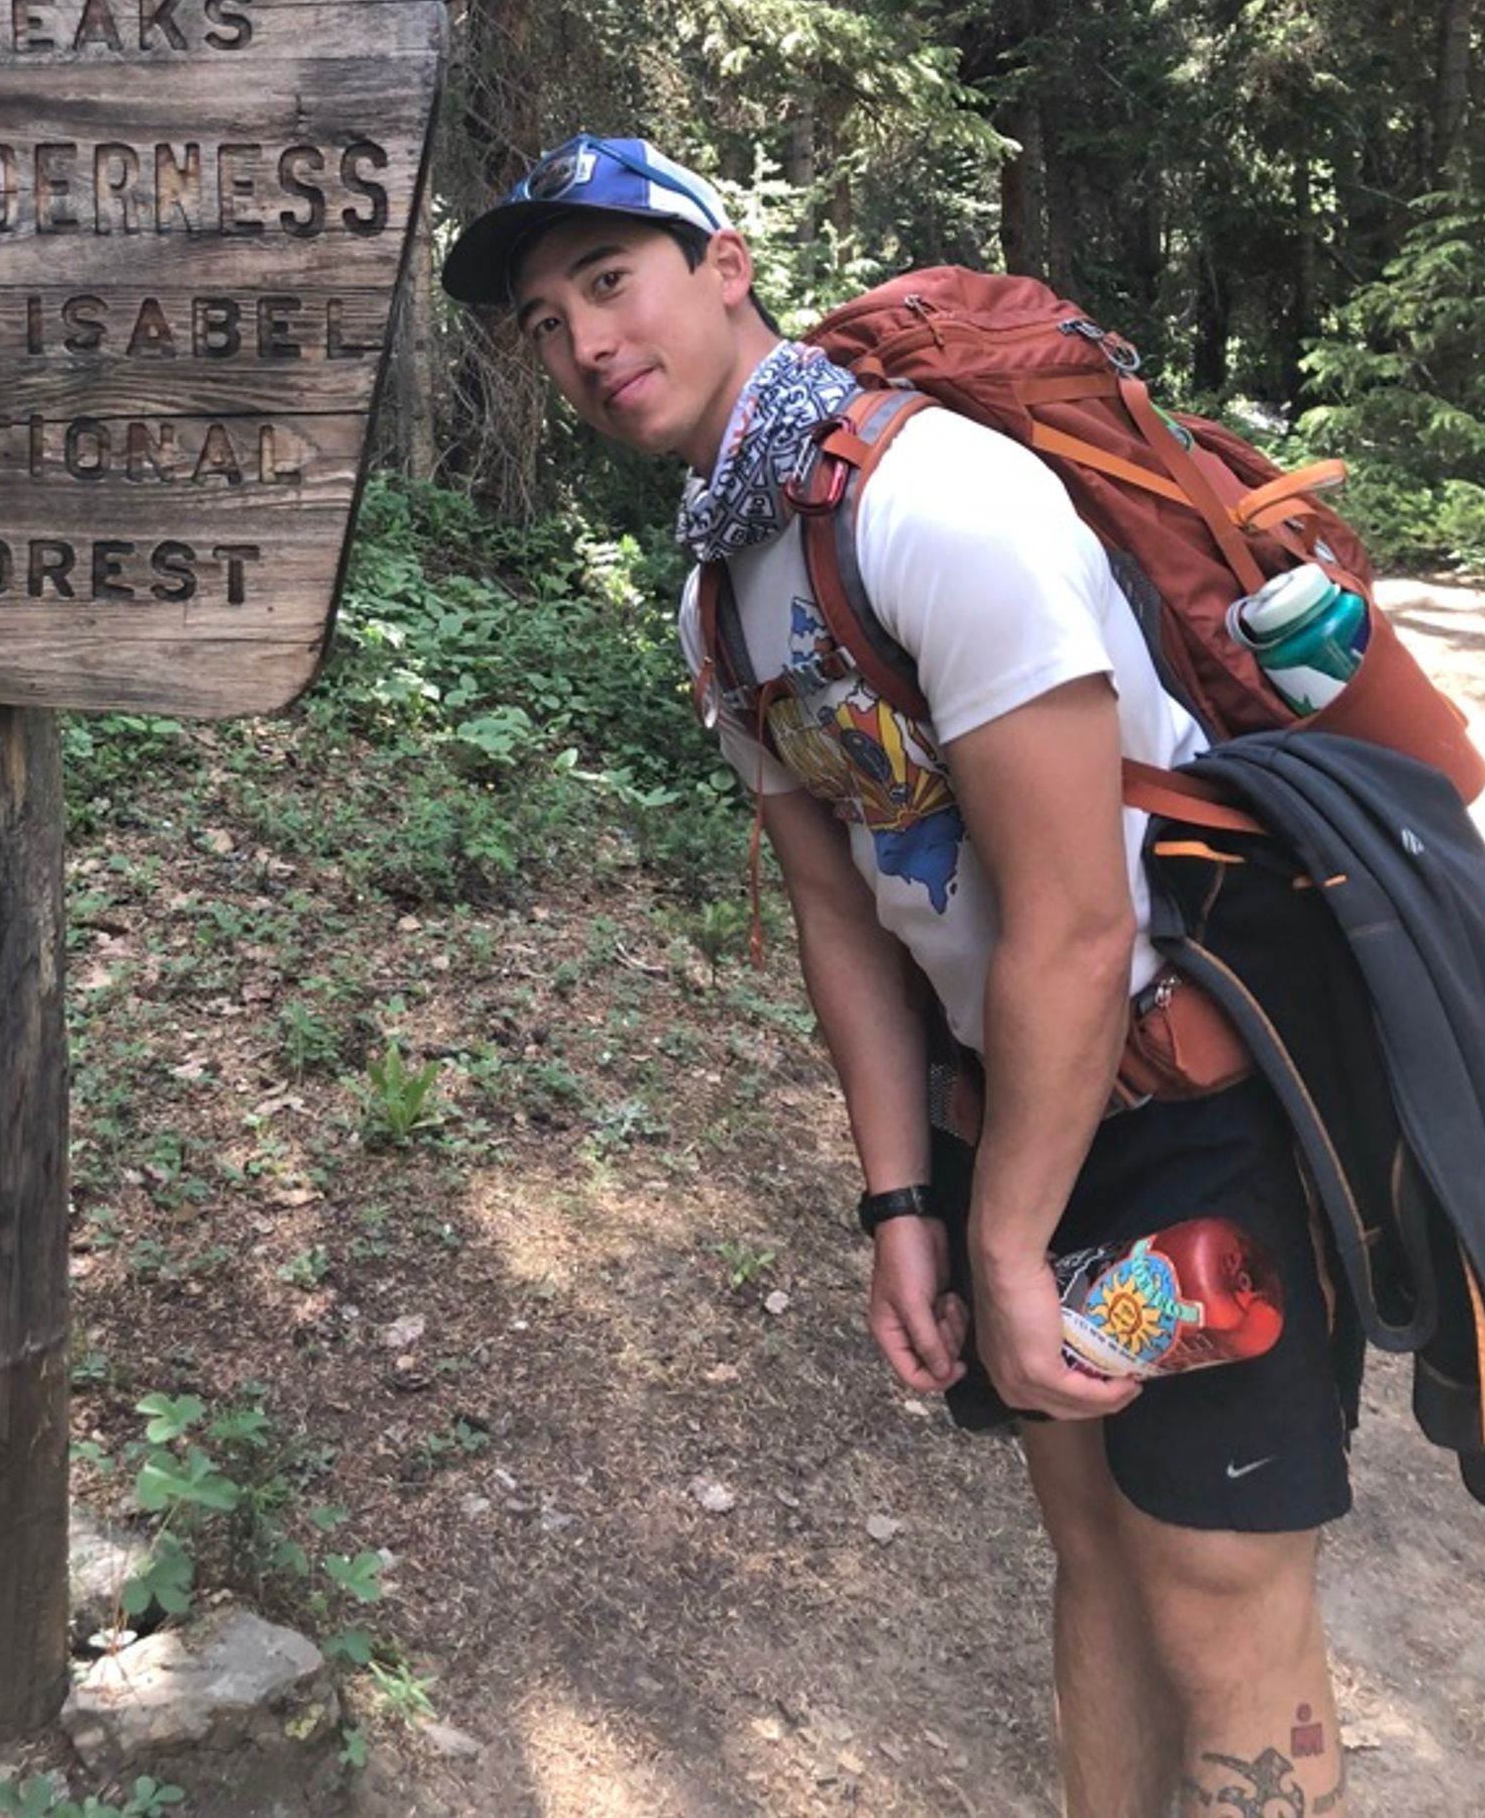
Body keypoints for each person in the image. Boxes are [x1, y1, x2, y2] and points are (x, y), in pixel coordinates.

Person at [442, 134, 1359, 1818]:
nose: (580, 337)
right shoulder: (723, 591)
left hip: (1188, 1099)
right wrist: (902, 1208)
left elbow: (1080, 921)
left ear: (725, 267)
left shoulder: (940, 503)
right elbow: (839, 907)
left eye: (610, 277)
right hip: (1004, 1099)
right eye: (543, 316)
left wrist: (1005, 1240)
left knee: (1216, 1583)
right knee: (1091, 1550)